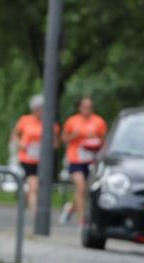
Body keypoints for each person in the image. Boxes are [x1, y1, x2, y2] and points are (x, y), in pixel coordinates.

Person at [60, 96, 107, 224]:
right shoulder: (72, 121)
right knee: (80, 187)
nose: (87, 109)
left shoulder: (98, 121)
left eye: (90, 107)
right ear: (80, 107)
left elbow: (104, 141)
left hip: (92, 160)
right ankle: (82, 221)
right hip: (76, 159)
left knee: (86, 190)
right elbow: (63, 138)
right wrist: (74, 136)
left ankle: (71, 207)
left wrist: (97, 142)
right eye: (85, 107)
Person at [11, 95, 60, 217]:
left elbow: (56, 145)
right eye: (38, 109)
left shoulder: (51, 123)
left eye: (42, 109)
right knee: (34, 186)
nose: (40, 112)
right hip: (28, 159)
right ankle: (35, 214)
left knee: (36, 186)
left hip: (43, 160)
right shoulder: (25, 120)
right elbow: (14, 135)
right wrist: (20, 144)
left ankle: (26, 201)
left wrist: (48, 144)